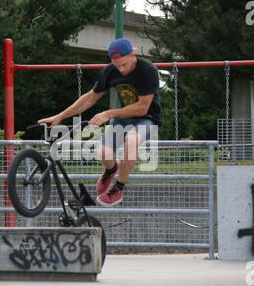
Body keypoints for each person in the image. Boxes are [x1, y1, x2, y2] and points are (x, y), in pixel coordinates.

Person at [38, 38, 162, 207]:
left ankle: (118, 188)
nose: (121, 69)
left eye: (124, 64)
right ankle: (111, 169)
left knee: (131, 141)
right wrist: (60, 116)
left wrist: (108, 113)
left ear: (133, 55)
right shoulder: (110, 71)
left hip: (147, 118)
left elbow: (142, 108)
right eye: (117, 65)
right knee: (103, 152)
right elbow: (90, 98)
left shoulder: (147, 69)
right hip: (124, 117)